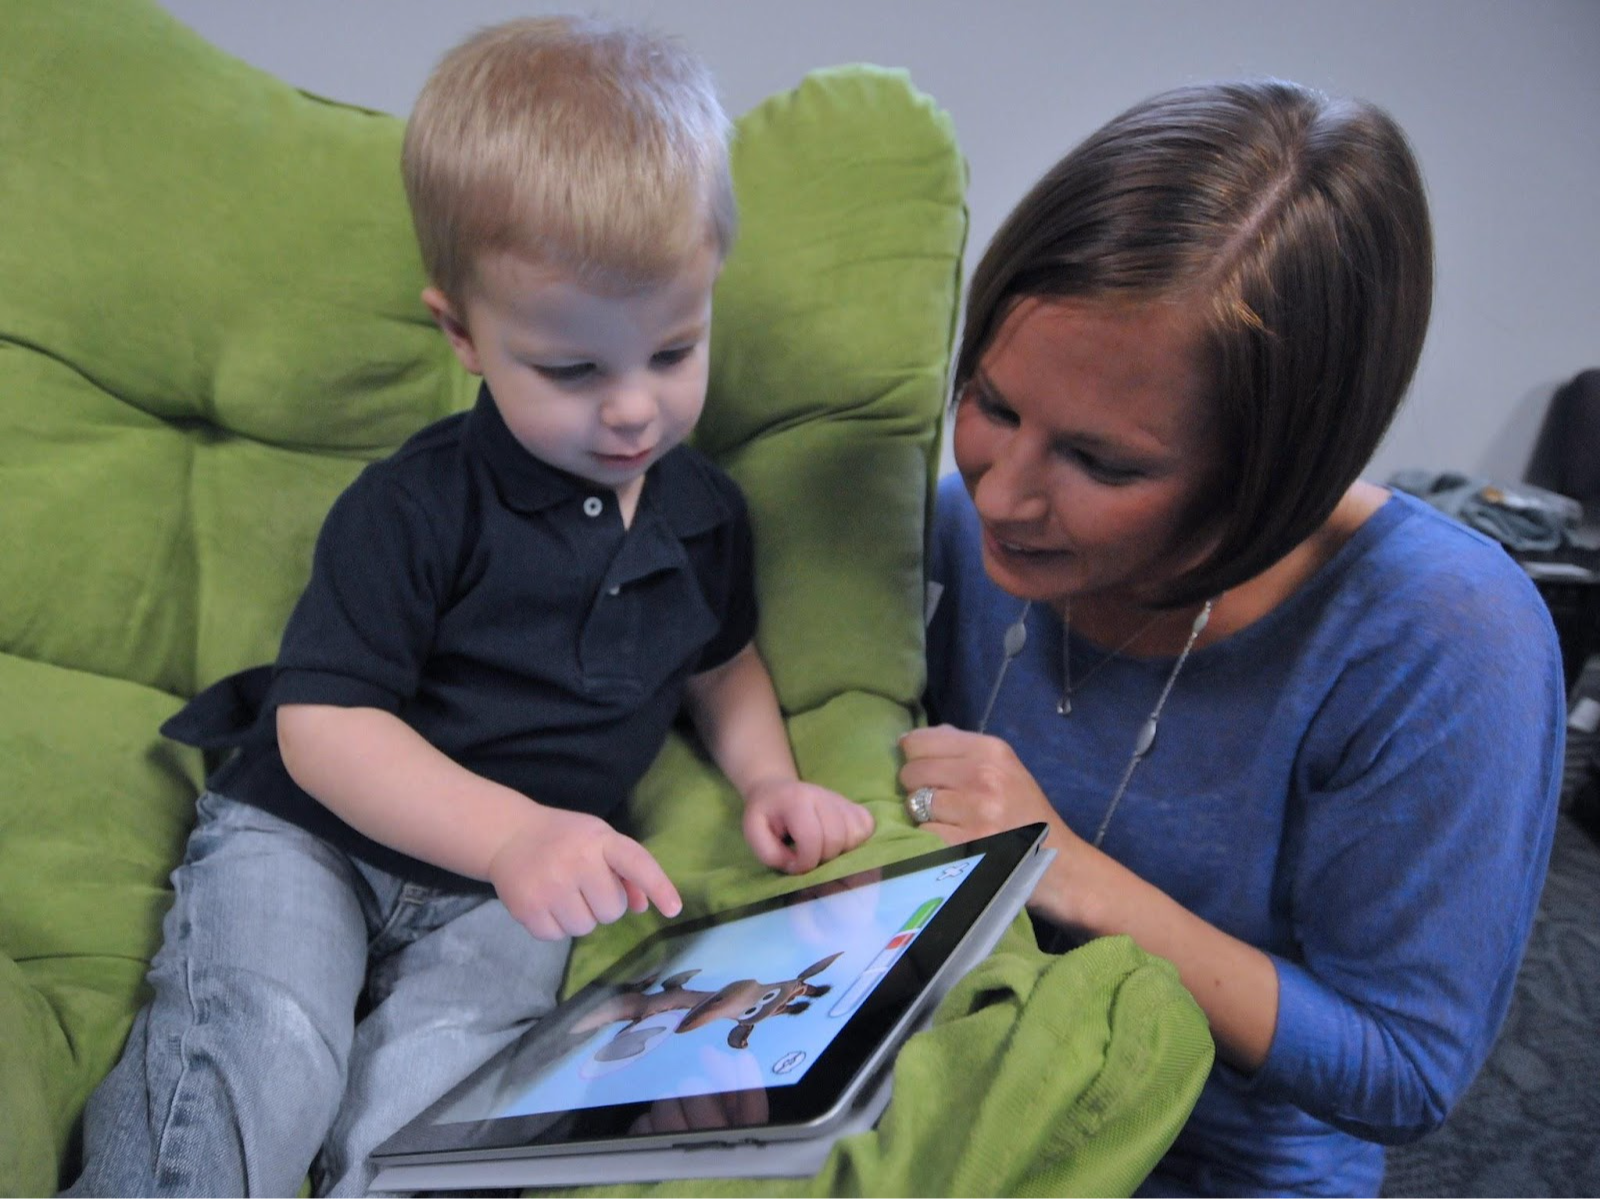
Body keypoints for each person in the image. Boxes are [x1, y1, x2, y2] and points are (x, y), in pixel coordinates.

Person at [63, 17, 871, 1199]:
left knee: (449, 1103)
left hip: (516, 891)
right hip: (318, 835)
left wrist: (766, 780)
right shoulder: (415, 505)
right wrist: (505, 832)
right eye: (574, 369)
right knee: (268, 1045)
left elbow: (720, 660)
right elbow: (323, 725)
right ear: (463, 335)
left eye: (674, 348)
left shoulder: (703, 514)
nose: (635, 410)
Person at [900, 78, 1563, 1198]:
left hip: (1200, 1159)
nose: (1001, 495)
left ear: (1276, 471)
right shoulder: (965, 516)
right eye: (994, 402)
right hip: (937, 1077)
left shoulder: (1446, 637)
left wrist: (1063, 864)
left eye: (1102, 464)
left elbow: (1403, 1070)